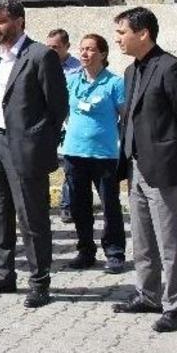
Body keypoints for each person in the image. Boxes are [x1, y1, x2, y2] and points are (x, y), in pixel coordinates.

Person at [0, 0, 68, 308]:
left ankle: (39, 282)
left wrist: (38, 142)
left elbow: (58, 107)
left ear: (19, 21)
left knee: (32, 217)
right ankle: (3, 274)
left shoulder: (41, 56)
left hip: (25, 149)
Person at [111, 6, 177, 333]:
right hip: (136, 167)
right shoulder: (131, 71)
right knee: (143, 239)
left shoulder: (171, 68)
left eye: (122, 33)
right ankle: (147, 294)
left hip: (165, 169)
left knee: (170, 242)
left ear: (143, 33)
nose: (118, 39)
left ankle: (175, 307)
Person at [60, 34, 127, 274]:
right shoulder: (72, 81)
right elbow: (65, 112)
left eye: (90, 50)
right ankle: (85, 251)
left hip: (104, 155)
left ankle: (115, 252)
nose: (84, 54)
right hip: (74, 153)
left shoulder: (115, 83)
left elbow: (124, 116)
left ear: (103, 54)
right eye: (82, 49)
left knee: (110, 205)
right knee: (79, 206)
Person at [47, 29, 82, 224]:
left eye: (56, 47)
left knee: (70, 167)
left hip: (69, 123)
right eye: (49, 47)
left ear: (67, 47)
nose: (51, 51)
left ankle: (67, 205)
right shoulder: (41, 64)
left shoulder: (77, 69)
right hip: (46, 122)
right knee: (41, 165)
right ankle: (42, 203)